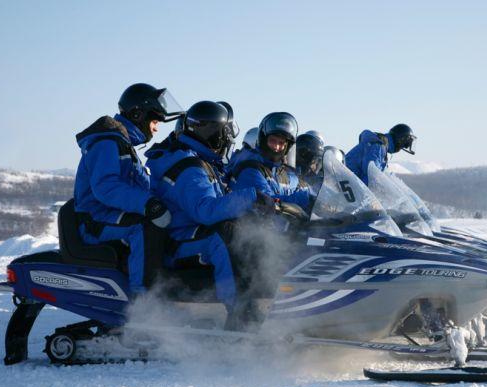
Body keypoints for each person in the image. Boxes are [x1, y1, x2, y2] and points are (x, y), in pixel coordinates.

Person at [144, 100, 276, 327]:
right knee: (224, 237)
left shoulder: (200, 162)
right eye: (224, 134)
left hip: (190, 231)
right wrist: (250, 196)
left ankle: (266, 301)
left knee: (250, 233)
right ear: (212, 134)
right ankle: (239, 314)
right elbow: (205, 210)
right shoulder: (189, 167)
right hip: (179, 238)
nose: (227, 141)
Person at [74, 83, 184, 295]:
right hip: (95, 220)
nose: (156, 128)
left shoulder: (123, 144)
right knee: (144, 228)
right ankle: (144, 303)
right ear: (137, 115)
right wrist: (148, 204)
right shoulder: (107, 142)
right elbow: (106, 186)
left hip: (108, 215)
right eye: (154, 121)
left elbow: (140, 187)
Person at [227, 112, 310, 210]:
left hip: (278, 224)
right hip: (250, 223)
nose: (277, 147)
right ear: (263, 140)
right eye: (272, 141)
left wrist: (315, 197)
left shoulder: (278, 171)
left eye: (281, 143)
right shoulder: (250, 169)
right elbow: (268, 202)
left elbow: (297, 186)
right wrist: (307, 200)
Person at [345, 124, 417, 185]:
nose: (403, 148)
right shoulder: (378, 147)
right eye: (405, 145)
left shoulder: (380, 146)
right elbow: (371, 176)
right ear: (400, 140)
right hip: (345, 185)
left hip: (348, 184)